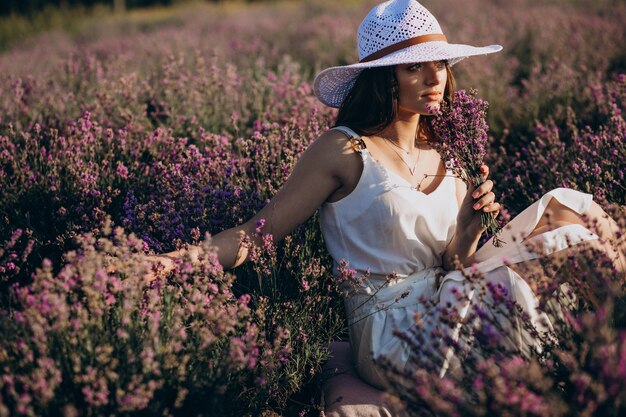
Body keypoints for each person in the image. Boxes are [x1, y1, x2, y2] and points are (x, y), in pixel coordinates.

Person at [148, 0, 624, 413]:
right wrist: (166, 265)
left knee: (571, 208)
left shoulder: (448, 154)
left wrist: (470, 228)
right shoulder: (344, 150)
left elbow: (453, 264)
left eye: (439, 63)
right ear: (381, 77)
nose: (434, 77)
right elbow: (256, 234)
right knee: (570, 251)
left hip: (447, 297)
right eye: (413, 66)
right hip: (395, 333)